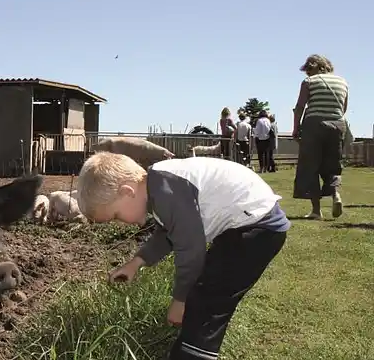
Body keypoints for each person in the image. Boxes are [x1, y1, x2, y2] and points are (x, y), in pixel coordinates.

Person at [76, 152, 289, 360]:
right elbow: (169, 234)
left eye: (116, 216)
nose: (120, 223)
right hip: (249, 226)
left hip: (256, 228)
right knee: (206, 295)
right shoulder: (159, 185)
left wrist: (180, 300)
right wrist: (135, 263)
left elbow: (190, 249)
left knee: (208, 301)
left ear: (127, 192)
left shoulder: (167, 191)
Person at [292, 54, 349, 219]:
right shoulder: (343, 82)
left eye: (308, 70)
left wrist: (296, 129)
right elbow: (343, 108)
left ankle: (316, 211)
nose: (307, 74)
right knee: (333, 164)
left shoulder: (309, 82)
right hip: (338, 124)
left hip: (314, 124)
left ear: (314, 67)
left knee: (310, 166)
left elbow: (300, 106)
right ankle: (336, 195)